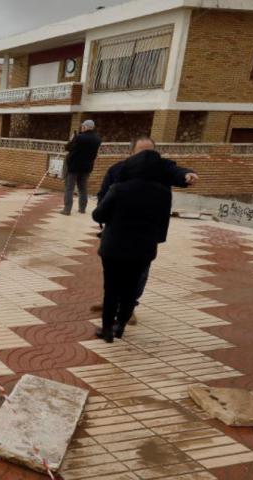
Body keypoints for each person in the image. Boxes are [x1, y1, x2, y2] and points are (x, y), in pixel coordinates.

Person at [90, 136, 199, 320]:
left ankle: (129, 306)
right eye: (142, 151)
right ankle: (111, 302)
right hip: (118, 231)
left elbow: (176, 171)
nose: (146, 156)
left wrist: (186, 175)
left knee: (139, 274)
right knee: (113, 272)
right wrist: (106, 214)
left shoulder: (161, 169)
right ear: (130, 153)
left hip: (145, 234)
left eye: (151, 152)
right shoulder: (117, 170)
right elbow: (103, 196)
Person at [91, 149, 172, 342]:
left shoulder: (119, 188)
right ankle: (120, 327)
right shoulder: (163, 192)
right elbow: (162, 227)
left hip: (114, 248)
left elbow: (98, 215)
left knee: (111, 289)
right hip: (143, 250)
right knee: (130, 289)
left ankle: (107, 330)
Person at [62, 119, 102, 215]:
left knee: (69, 188)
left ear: (85, 127)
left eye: (82, 126)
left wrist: (72, 139)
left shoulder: (79, 137)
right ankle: (82, 208)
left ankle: (67, 209)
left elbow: (68, 148)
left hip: (73, 167)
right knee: (83, 188)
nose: (81, 127)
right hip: (87, 167)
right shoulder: (97, 139)